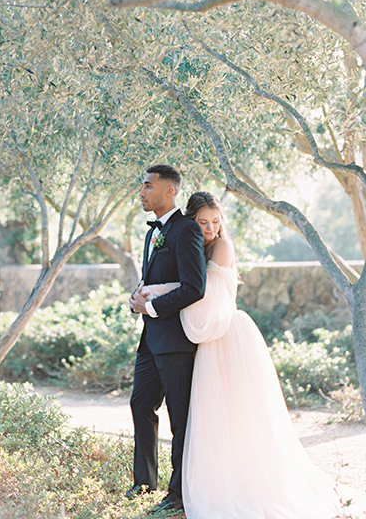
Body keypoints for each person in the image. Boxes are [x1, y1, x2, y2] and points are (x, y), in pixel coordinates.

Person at [141, 191, 352, 518]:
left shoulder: (222, 247)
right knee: (209, 414)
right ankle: (204, 479)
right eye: (202, 222)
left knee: (235, 414)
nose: (210, 228)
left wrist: (156, 292)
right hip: (205, 334)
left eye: (215, 221)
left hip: (226, 336)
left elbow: (201, 292)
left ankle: (238, 483)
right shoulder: (195, 244)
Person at [125, 165, 207, 514]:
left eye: (148, 186)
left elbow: (194, 287)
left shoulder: (186, 230)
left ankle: (178, 493)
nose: (142, 192)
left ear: (169, 191)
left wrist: (154, 308)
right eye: (142, 186)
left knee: (180, 417)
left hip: (176, 341)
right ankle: (144, 482)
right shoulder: (152, 233)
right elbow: (154, 279)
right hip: (150, 340)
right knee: (140, 404)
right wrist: (137, 299)